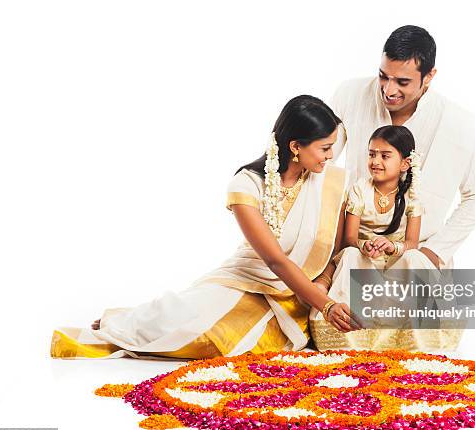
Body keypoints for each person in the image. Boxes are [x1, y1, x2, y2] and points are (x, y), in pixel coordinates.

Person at [50, 95, 361, 360]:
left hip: (300, 293)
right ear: (296, 146)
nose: (331, 156)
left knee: (234, 344)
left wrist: (322, 286)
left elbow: (335, 247)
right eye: (324, 148)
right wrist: (328, 305)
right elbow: (274, 260)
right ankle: (126, 323)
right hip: (245, 280)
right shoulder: (247, 185)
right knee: (191, 324)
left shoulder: (331, 183)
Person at [316, 25, 475, 351]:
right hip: (358, 250)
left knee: (416, 349)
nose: (388, 89)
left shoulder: (456, 123)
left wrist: (432, 251)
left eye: (402, 82)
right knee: (340, 339)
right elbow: (320, 164)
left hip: (417, 254)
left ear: (429, 76)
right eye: (383, 76)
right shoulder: (351, 94)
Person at [310, 125, 444, 351]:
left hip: (395, 265)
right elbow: (349, 239)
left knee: (416, 257)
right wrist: (366, 245)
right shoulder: (360, 190)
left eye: (385, 156)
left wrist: (392, 247)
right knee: (351, 254)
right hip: (365, 263)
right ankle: (348, 337)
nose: (375, 161)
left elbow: (412, 242)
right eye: (371, 154)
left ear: (405, 163)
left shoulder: (412, 194)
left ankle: (417, 337)